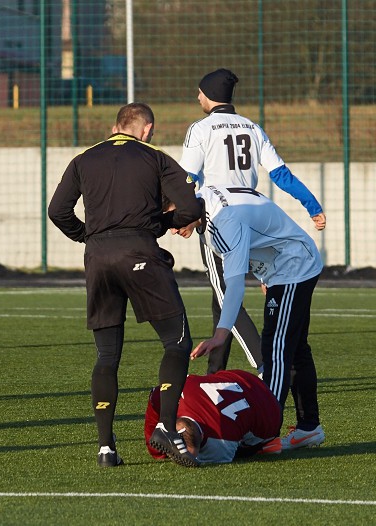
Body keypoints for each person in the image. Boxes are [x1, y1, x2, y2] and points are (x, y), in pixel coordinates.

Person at [48, 102, 204, 468]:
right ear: (146, 128)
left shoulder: (84, 158)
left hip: (97, 257)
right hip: (139, 251)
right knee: (177, 341)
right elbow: (190, 207)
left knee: (106, 355)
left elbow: (57, 211)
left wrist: (87, 236)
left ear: (116, 125)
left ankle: (106, 448)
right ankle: (166, 425)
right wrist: (162, 225)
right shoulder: (154, 157)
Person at [178, 68, 326, 376]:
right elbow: (281, 175)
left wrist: (185, 216)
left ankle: (263, 365)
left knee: (225, 291)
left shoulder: (201, 129)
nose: (197, 97)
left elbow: (186, 180)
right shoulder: (252, 127)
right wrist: (312, 205)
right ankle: (215, 374)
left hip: (219, 217)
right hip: (253, 218)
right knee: (221, 299)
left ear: (208, 95)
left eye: (200, 92)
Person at [188, 184, 325, 451]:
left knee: (275, 349)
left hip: (293, 265)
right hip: (286, 263)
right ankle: (309, 427)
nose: (171, 228)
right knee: (295, 349)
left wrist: (221, 333)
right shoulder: (205, 203)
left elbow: (235, 284)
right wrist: (266, 275)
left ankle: (266, 432)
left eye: (171, 216)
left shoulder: (223, 221)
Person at [144, 369, 283, 463]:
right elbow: (155, 399)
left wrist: (158, 453)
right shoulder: (168, 393)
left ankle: (266, 444)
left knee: (242, 452)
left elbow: (196, 457)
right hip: (243, 377)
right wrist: (158, 448)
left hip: (271, 414)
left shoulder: (219, 441)